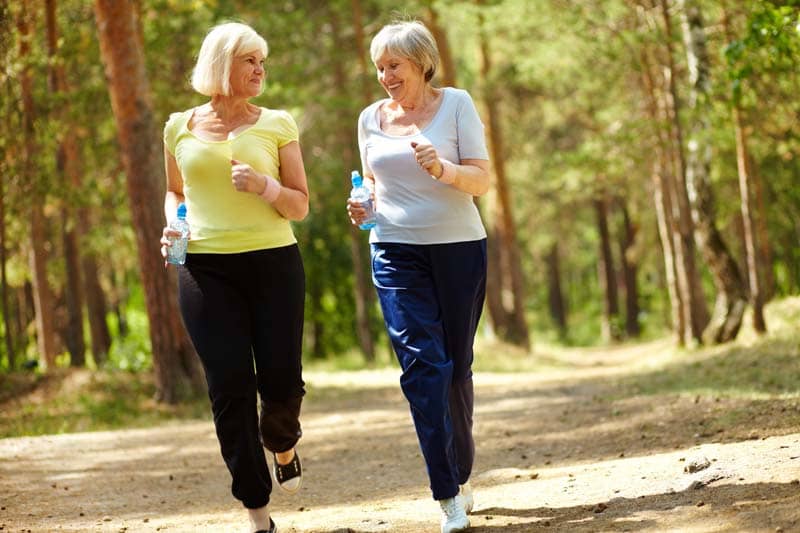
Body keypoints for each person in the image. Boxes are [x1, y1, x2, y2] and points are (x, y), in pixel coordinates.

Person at [160, 22, 309, 533]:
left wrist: (265, 185)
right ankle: (256, 512)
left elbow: (300, 204)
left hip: (273, 264)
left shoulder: (277, 124)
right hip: (204, 268)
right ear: (222, 64)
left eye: (262, 61)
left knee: (281, 381)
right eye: (251, 60)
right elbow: (175, 191)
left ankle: (283, 441)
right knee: (229, 386)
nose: (261, 69)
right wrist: (172, 223)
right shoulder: (178, 125)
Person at [347, 20, 490, 533]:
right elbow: (371, 188)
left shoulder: (456, 105)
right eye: (379, 67)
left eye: (394, 66)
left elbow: (482, 178)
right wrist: (361, 206)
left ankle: (461, 468)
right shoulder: (369, 118)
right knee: (422, 369)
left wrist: (445, 171)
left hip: (458, 251)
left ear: (421, 63)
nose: (385, 76)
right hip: (394, 251)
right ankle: (446, 492)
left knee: (456, 368)